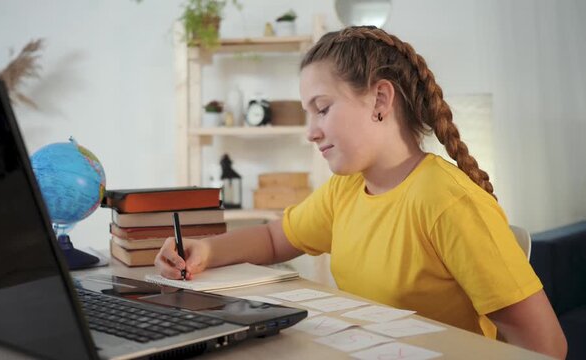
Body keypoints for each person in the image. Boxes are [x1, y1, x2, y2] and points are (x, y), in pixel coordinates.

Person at [155, 26, 567, 358]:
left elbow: (546, 347)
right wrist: (206, 250)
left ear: (380, 101)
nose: (310, 131)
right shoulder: (347, 189)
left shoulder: (448, 203)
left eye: (322, 108)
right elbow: (274, 238)